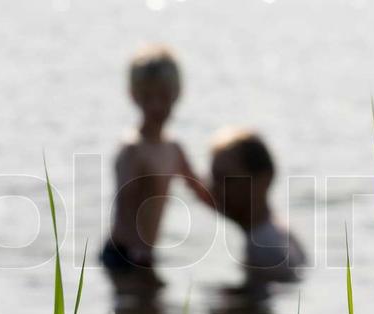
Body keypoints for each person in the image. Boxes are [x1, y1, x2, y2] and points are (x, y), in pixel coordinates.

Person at [102, 45, 210, 271]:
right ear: (134, 96)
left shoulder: (174, 149)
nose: (156, 105)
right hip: (123, 254)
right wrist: (137, 254)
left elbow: (202, 192)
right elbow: (125, 204)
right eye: (147, 96)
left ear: (177, 94)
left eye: (163, 95)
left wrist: (246, 212)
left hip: (146, 255)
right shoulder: (132, 149)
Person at [209, 128, 306, 279]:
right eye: (215, 179)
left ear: (263, 179)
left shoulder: (264, 249)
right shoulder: (278, 232)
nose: (216, 190)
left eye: (228, 180)